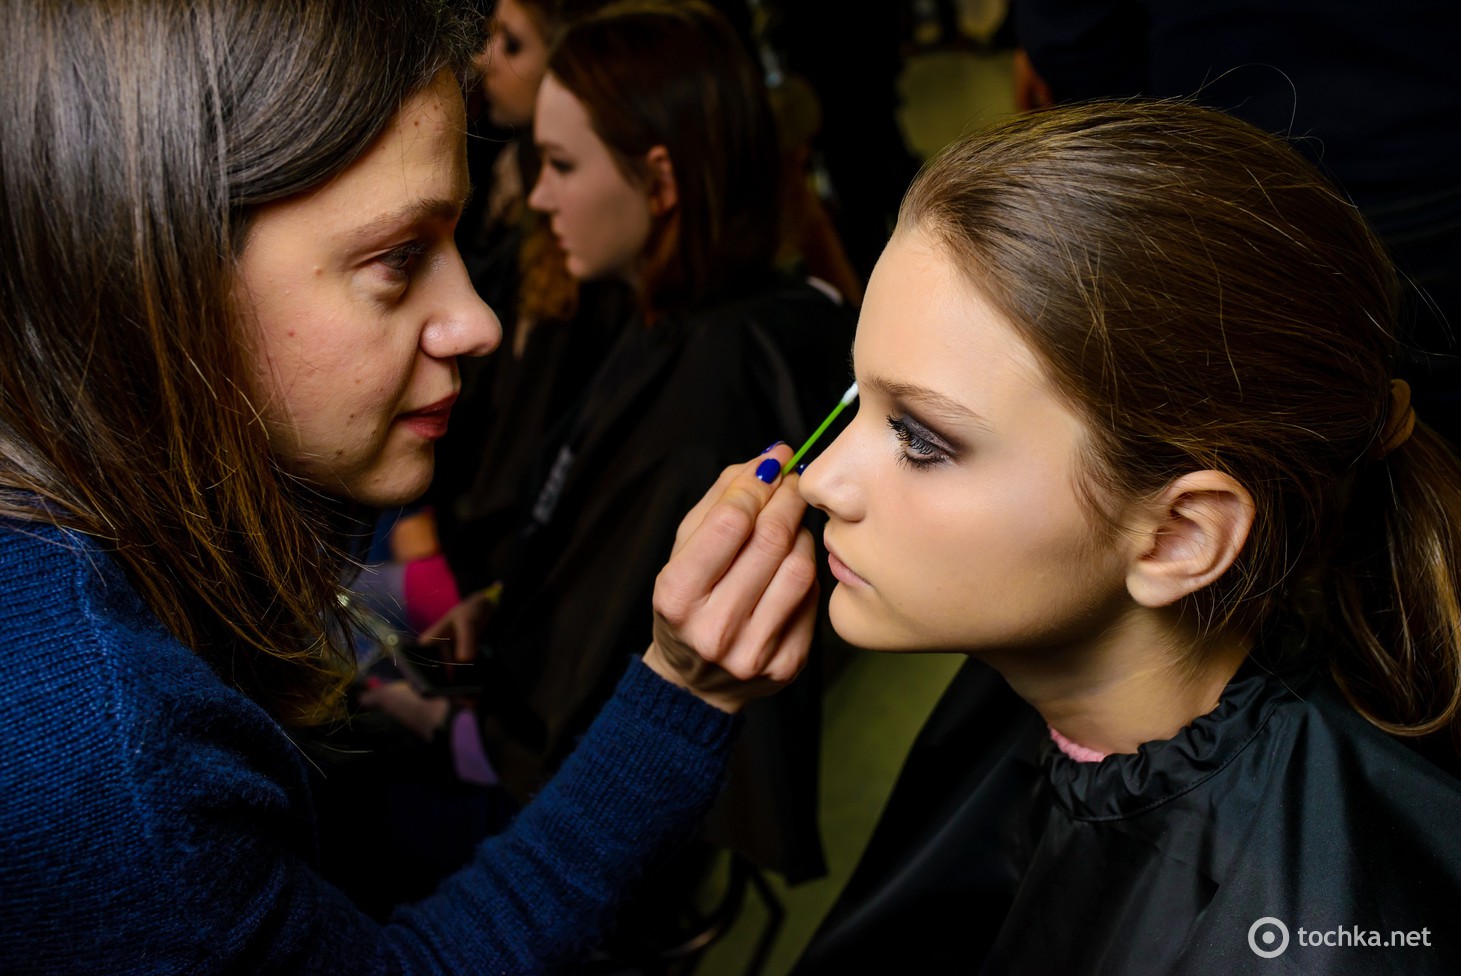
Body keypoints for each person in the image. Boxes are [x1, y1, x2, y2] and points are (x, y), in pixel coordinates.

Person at [0, 2, 818, 973]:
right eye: (397, 258)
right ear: (158, 273)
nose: (474, 320)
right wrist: (681, 694)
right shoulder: (112, 762)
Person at [790, 101, 1461, 972]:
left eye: (921, 438)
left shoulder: (1321, 920)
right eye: (856, 400)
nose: (819, 479)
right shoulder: (1026, 696)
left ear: (1179, 537)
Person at [404, 0, 852, 888]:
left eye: (562, 165)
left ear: (659, 180)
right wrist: (504, 600)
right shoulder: (676, 322)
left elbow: (566, 727)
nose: (537, 195)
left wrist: (436, 722)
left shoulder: (707, 395)